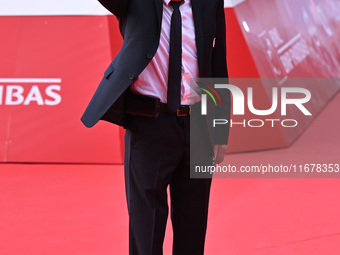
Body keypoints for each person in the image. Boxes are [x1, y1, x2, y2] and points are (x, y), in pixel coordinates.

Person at [81, 0, 231, 254]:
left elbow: (218, 64)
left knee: (193, 229)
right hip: (149, 126)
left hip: (199, 128)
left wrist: (220, 129)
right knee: (146, 232)